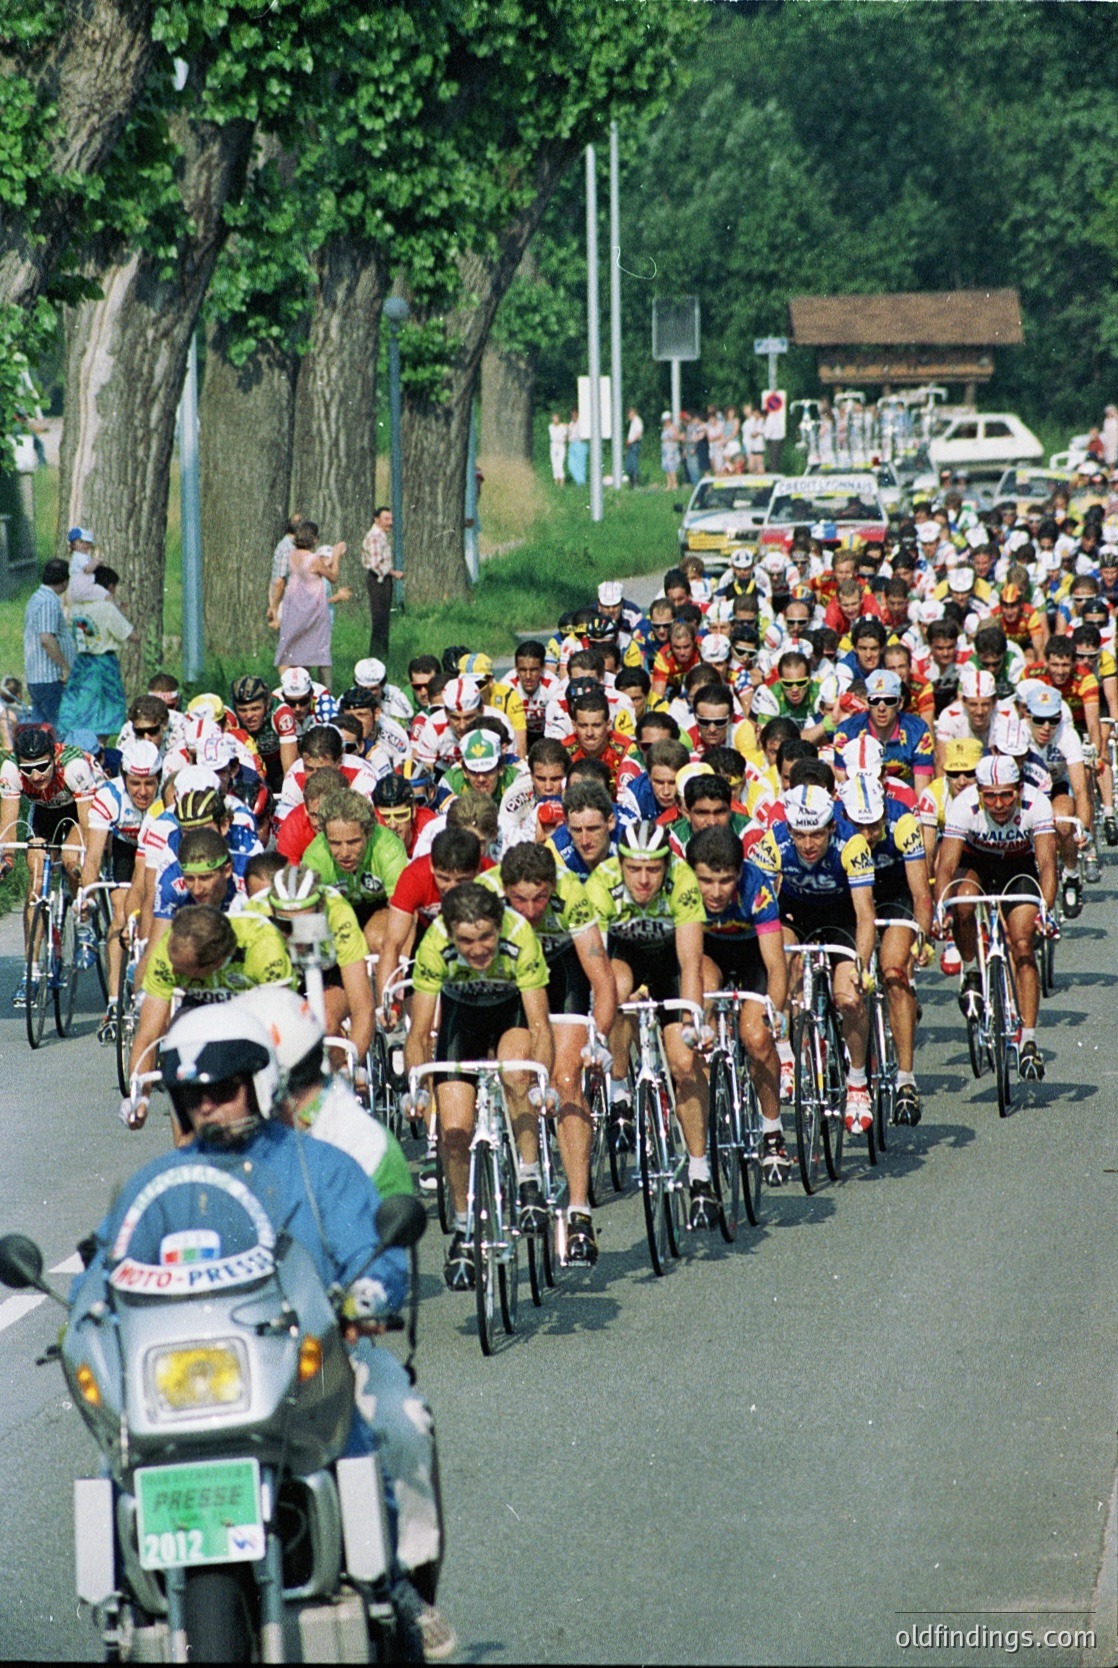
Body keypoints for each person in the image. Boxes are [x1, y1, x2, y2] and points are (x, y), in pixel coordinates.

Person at [404, 880, 554, 1290]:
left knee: (516, 1073)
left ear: (499, 926)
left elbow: (540, 1026)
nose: (478, 949)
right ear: (451, 933)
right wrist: (418, 1088)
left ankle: (528, 1178)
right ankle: (464, 1230)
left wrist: (541, 1082)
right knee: (454, 1132)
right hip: (462, 1019)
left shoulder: (520, 936)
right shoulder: (434, 944)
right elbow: (419, 1033)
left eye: (486, 937)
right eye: (467, 941)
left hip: (511, 1015)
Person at [124, 903, 292, 1128]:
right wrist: (139, 1097)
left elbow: (282, 1025)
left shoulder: (262, 945)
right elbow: (148, 1034)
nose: (173, 971)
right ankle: (187, 1141)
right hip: (199, 1004)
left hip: (256, 1007)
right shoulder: (170, 949)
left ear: (215, 963)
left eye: (182, 970)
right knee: (179, 1053)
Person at [57, 564, 138, 741]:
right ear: (110, 587)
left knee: (83, 708)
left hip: (82, 662)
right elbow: (130, 635)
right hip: (103, 663)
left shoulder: (76, 608)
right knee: (104, 711)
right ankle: (99, 746)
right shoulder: (106, 608)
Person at [274, 521, 345, 684]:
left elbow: (281, 580)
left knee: (292, 647)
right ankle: (322, 688)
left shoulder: (292, 555)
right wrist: (336, 556)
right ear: (314, 539)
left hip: (294, 605)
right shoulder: (314, 559)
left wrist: (274, 606)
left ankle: (290, 683)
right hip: (312, 607)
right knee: (316, 649)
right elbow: (333, 577)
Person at [23, 558, 73, 728]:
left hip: (37, 677)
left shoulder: (37, 597)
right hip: (49, 677)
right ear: (64, 581)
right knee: (59, 728)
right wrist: (65, 667)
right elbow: (46, 638)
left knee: (40, 729)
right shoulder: (48, 602)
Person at [361, 505, 404, 654]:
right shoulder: (374, 536)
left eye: (391, 519)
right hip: (378, 580)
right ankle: (376, 655)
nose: (390, 523)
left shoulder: (381, 535)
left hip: (384, 580)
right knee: (379, 621)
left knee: (384, 620)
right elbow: (375, 564)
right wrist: (393, 573)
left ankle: (383, 654)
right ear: (377, 520)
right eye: (386, 519)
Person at [566, 408, 588, 486]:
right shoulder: (571, 423)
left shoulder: (581, 423)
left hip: (580, 444)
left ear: (578, 414)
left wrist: (584, 437)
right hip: (572, 445)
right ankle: (579, 480)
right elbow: (569, 434)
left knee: (580, 465)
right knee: (571, 465)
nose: (573, 416)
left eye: (575, 414)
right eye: (572, 414)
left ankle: (581, 483)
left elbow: (586, 433)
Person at [660, 412, 680, 492]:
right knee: (666, 466)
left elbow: (677, 437)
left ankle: (675, 484)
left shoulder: (673, 428)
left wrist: (669, 439)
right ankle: (669, 484)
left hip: (671, 448)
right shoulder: (664, 428)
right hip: (665, 448)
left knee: (671, 466)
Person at [624, 406, 644, 488]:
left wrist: (631, 441)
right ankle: (632, 483)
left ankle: (635, 484)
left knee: (633, 464)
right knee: (629, 464)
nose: (628, 415)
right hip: (631, 444)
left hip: (634, 444)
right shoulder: (633, 422)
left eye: (629, 413)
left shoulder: (637, 421)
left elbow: (638, 434)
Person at [548, 412, 567, 486]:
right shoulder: (550, 427)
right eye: (554, 418)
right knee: (554, 462)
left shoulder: (562, 426)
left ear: (559, 418)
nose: (555, 419)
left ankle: (562, 480)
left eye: (556, 418)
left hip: (561, 445)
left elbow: (565, 435)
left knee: (560, 462)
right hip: (554, 445)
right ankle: (556, 479)